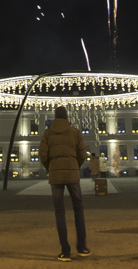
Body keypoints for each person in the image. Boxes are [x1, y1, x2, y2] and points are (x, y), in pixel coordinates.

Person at [39, 105, 89, 262]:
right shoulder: (75, 132)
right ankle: (82, 247)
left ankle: (65, 251)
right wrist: (75, 166)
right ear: (67, 117)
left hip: (56, 175)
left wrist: (51, 167)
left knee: (59, 211)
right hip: (72, 174)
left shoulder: (47, 133)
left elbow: (42, 154)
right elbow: (82, 154)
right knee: (78, 208)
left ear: (55, 117)